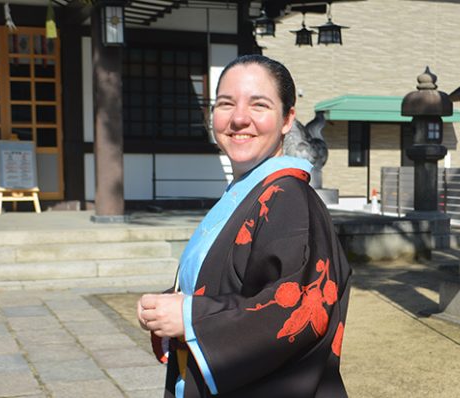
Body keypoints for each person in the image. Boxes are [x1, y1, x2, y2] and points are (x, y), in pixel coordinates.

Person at [137, 54, 352, 398]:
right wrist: (170, 306)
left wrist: (191, 316)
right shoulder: (245, 193)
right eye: (226, 103)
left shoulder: (288, 198)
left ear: (287, 119)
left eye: (259, 105)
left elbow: (295, 307)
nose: (239, 118)